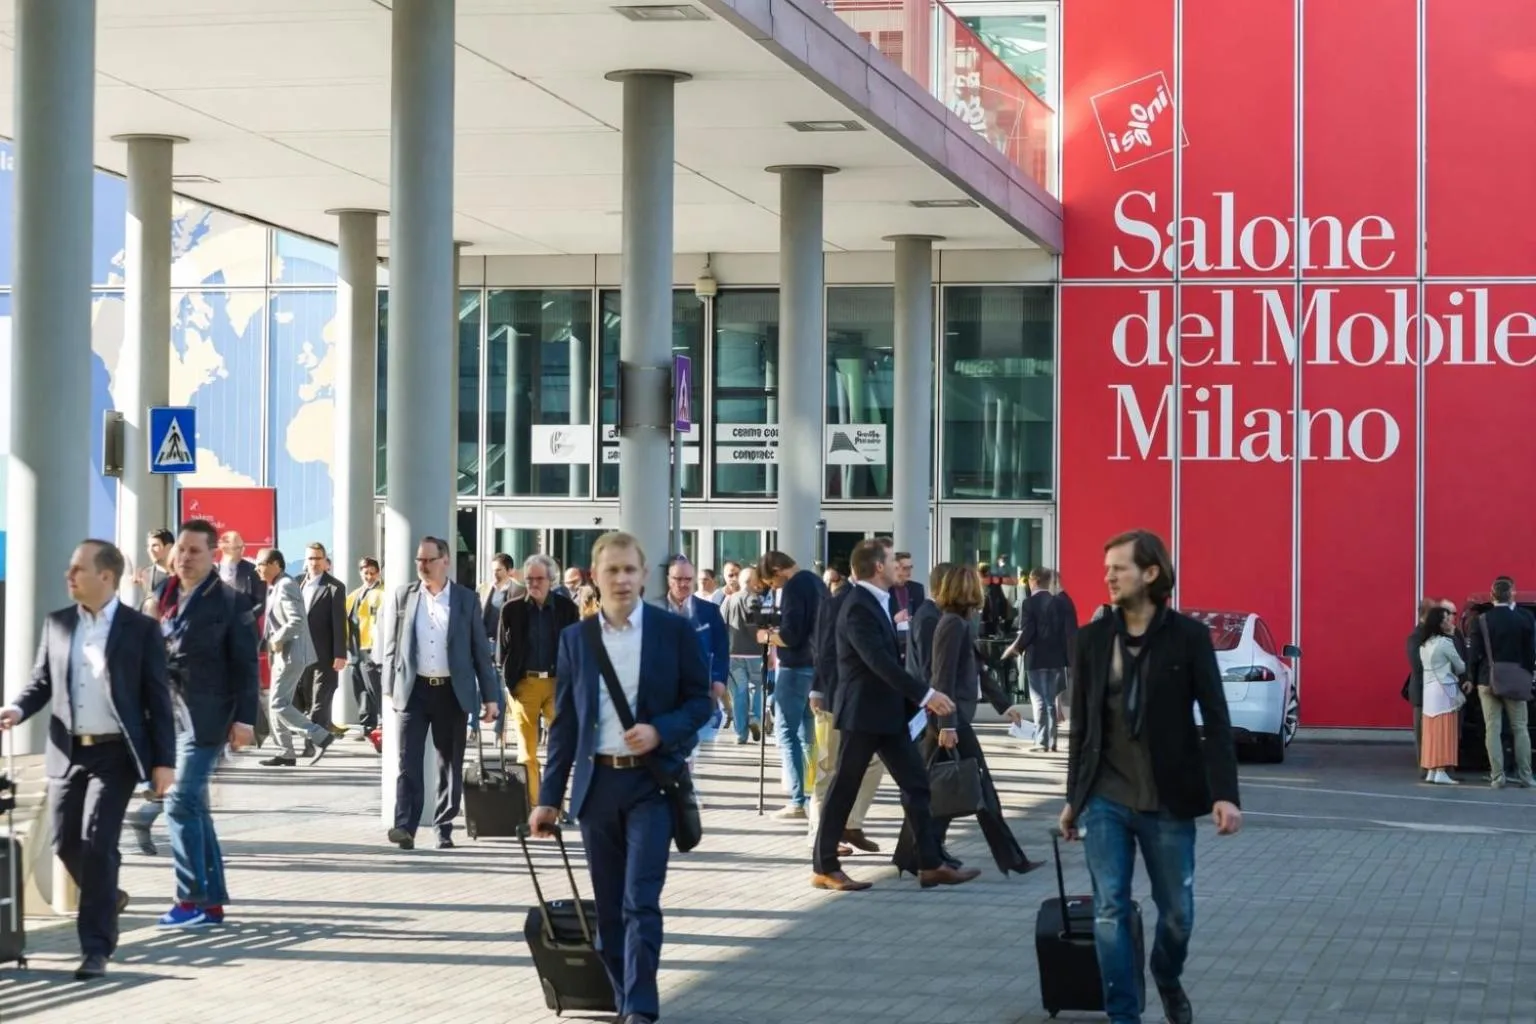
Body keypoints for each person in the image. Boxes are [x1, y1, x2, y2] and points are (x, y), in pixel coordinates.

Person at [529, 531, 712, 1024]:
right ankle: (624, 996)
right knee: (609, 914)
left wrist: (661, 731)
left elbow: (700, 702)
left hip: (652, 785)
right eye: (612, 570)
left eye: (631, 569)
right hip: (597, 790)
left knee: (639, 901)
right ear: (595, 577)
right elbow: (565, 724)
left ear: (644, 574)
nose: (623, 579)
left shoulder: (672, 632)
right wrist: (547, 799)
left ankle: (640, 1010)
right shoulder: (576, 639)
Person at [1059, 529, 1242, 1024]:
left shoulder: (1189, 638)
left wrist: (1225, 794)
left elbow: (1217, 721)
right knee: (1109, 909)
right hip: (1105, 797)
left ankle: (1165, 973)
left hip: (1169, 799)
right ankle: (1124, 1016)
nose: (1109, 576)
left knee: (1177, 913)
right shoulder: (1092, 639)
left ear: (1151, 573)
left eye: (1119, 567)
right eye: (1107, 568)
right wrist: (1073, 797)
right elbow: (1082, 725)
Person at [0, 540, 176, 979]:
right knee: (65, 845)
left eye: (78, 569)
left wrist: (163, 763)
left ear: (107, 577)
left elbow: (157, 697)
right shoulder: (58, 624)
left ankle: (95, 948)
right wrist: (17, 709)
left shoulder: (140, 629)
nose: (69, 575)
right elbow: (41, 682)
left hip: (115, 754)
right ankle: (108, 895)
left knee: (99, 845)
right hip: (66, 751)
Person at [810, 539, 969, 892]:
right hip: (863, 713)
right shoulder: (857, 606)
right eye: (891, 560)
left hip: (887, 714)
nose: (899, 566)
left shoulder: (876, 602)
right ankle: (824, 866)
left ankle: (929, 864)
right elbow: (877, 662)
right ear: (878, 567)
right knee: (843, 788)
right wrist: (926, 694)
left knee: (917, 784)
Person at [893, 563, 1039, 877]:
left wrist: (1002, 705)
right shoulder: (949, 624)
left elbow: (975, 669)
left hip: (949, 719)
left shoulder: (958, 622)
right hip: (948, 720)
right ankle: (1010, 859)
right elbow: (940, 678)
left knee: (943, 787)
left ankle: (912, 855)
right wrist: (947, 726)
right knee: (966, 786)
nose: (983, 590)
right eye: (977, 585)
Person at [156, 519, 262, 928]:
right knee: (195, 806)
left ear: (213, 554)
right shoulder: (162, 594)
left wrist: (244, 721)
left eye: (194, 551)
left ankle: (189, 898)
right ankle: (212, 902)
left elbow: (246, 666)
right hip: (169, 714)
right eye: (180, 549)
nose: (184, 557)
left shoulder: (231, 602)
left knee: (179, 800)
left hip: (209, 716)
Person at [380, 536, 500, 850]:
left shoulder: (465, 599)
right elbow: (391, 648)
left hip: (451, 693)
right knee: (408, 762)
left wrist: (490, 698)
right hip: (414, 691)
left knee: (449, 764)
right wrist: (388, 689)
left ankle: (443, 827)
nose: (422, 566)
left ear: (445, 561)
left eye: (429, 560)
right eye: (419, 560)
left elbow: (479, 653)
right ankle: (404, 826)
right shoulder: (404, 596)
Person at [497, 553, 579, 802]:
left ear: (551, 580)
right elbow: (502, 650)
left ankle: (554, 802)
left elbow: (576, 649)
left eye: (539, 579)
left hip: (558, 685)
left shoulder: (567, 609)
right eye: (529, 579)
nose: (533, 584)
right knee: (527, 753)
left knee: (560, 749)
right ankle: (534, 805)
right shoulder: (512, 609)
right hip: (525, 685)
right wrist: (510, 683)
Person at [754, 550, 827, 820]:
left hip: (796, 667)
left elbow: (792, 635)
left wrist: (767, 636)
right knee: (809, 733)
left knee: (785, 730)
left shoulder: (795, 586)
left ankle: (798, 799)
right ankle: (813, 795)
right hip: (817, 668)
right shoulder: (816, 581)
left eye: (772, 583)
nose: (774, 588)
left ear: (777, 570)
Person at [253, 549, 333, 767]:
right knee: (276, 704)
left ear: (275, 564)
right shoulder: (277, 586)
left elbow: (296, 620)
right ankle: (286, 752)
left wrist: (277, 638)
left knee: (278, 703)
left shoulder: (286, 585)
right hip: (282, 653)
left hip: (291, 653)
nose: (257, 568)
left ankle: (319, 735)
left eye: (260, 563)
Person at [1465, 576, 1535, 789]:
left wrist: (1470, 678)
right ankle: (1525, 776)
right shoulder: (1525, 618)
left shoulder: (1481, 620)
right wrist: (1526, 672)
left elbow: (1474, 654)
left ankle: (1497, 776)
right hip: (1515, 678)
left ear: (1491, 594)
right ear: (1511, 593)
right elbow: (1530, 652)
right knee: (1520, 728)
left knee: (1492, 729)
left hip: (1488, 679)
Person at [1003, 567, 1070, 753]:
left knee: (1039, 700)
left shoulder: (1029, 603)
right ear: (1049, 581)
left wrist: (1016, 648)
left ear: (1033, 581)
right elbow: (1066, 633)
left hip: (1036, 657)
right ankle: (1052, 740)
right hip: (1056, 658)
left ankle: (1041, 742)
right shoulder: (1059, 603)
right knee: (1050, 700)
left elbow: (1027, 631)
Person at [1417, 604, 1468, 785]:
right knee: (1445, 729)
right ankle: (1441, 770)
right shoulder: (1445, 642)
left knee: (1431, 729)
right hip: (1445, 687)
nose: (1449, 621)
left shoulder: (1424, 644)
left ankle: (1431, 768)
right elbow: (1461, 665)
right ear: (1439, 623)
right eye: (1446, 619)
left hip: (1429, 689)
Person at [346, 557, 386, 737]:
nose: (369, 576)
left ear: (378, 573)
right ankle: (367, 724)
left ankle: (382, 720)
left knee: (374, 687)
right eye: (365, 573)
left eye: (372, 573)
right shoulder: (354, 595)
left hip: (371, 646)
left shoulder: (382, 592)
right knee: (360, 687)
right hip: (355, 647)